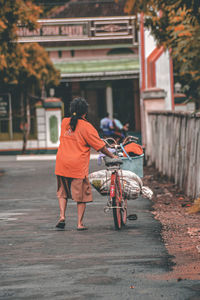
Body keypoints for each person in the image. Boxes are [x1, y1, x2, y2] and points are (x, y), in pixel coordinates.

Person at [55, 97, 116, 231]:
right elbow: (100, 146)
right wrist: (112, 155)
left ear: (71, 110)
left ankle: (62, 216)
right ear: (85, 112)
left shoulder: (64, 122)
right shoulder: (87, 127)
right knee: (81, 195)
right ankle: (79, 223)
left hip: (61, 162)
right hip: (77, 165)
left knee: (62, 192)